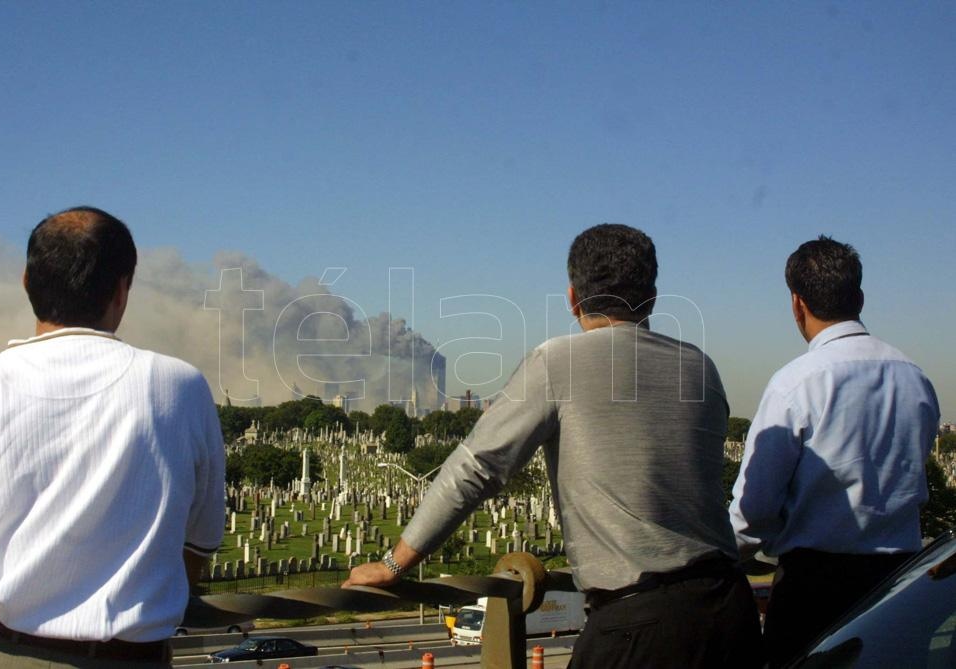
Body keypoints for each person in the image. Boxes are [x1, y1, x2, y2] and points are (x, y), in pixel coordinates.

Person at [346, 224, 762, 668]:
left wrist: (395, 564)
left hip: (639, 620)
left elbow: (477, 467)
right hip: (730, 610)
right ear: (653, 296)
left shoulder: (557, 362)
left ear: (572, 298)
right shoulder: (701, 367)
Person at [0, 207, 226, 668]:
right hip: (122, 657)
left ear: (26, 282)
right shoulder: (180, 388)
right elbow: (197, 545)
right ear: (122, 289)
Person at [729, 236, 940, 667]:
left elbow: (752, 513)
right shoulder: (915, 379)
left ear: (796, 304)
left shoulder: (794, 384)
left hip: (814, 591)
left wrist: (713, 554)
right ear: (859, 297)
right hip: (900, 585)